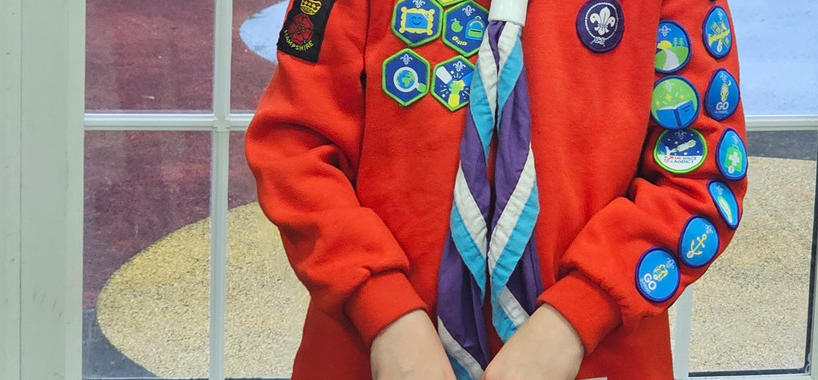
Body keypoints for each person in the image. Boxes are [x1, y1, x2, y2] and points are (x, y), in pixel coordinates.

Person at [245, 0, 747, 377]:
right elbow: (295, 148)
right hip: (374, 353)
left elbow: (700, 173)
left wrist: (575, 319)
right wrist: (384, 313)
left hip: (596, 355)